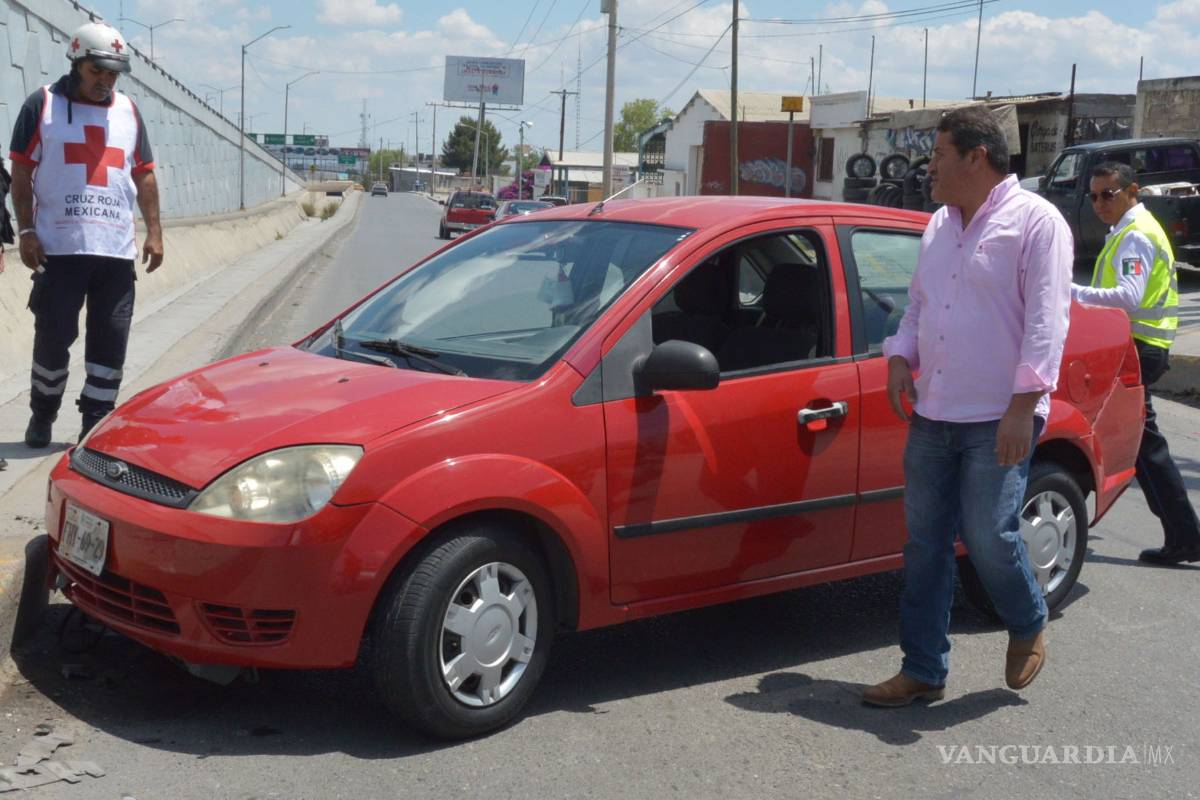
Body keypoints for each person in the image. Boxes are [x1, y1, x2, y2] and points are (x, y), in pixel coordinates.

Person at [862, 106, 1073, 707]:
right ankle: (924, 668)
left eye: (939, 154)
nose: (929, 166)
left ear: (976, 157)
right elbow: (919, 306)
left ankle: (1028, 619)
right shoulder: (938, 225)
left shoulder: (1037, 222)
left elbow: (1046, 323)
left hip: (997, 416)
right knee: (924, 545)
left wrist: (1022, 406)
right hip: (934, 412)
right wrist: (901, 356)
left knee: (989, 535)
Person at [9, 21, 163, 448]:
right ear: (77, 62)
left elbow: (144, 174)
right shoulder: (43, 105)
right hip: (60, 249)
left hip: (115, 252)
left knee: (110, 345)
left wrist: (154, 232)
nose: (106, 81)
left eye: (113, 73)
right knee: (53, 340)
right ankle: (43, 413)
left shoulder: (129, 111)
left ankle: (94, 423)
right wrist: (25, 230)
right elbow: (22, 170)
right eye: (98, 71)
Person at [1071, 162, 1200, 566]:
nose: (1099, 203)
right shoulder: (1128, 231)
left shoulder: (1136, 235)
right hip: (1139, 344)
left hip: (1140, 347)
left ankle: (1185, 534)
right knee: (1136, 439)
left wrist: (1069, 290)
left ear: (1133, 191)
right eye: (1093, 196)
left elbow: (1128, 295)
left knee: (1140, 440)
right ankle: (1184, 534)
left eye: (1108, 194)